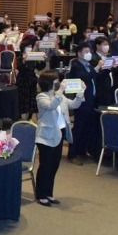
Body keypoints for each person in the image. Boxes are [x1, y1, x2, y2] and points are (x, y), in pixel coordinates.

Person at [35, 70, 84, 205]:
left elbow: (74, 104)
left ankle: (49, 193)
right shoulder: (41, 96)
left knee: (54, 165)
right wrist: (61, 91)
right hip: (46, 136)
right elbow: (51, 106)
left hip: (59, 133)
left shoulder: (60, 96)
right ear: (49, 83)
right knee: (45, 165)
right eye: (56, 81)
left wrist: (80, 92)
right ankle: (41, 194)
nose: (58, 83)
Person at [66, 44, 100, 161]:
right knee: (79, 127)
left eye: (89, 51)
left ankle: (82, 150)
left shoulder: (88, 65)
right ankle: (72, 154)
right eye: (86, 51)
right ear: (79, 53)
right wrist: (96, 68)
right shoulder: (76, 65)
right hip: (81, 100)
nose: (88, 54)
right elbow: (84, 77)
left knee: (87, 127)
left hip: (91, 99)